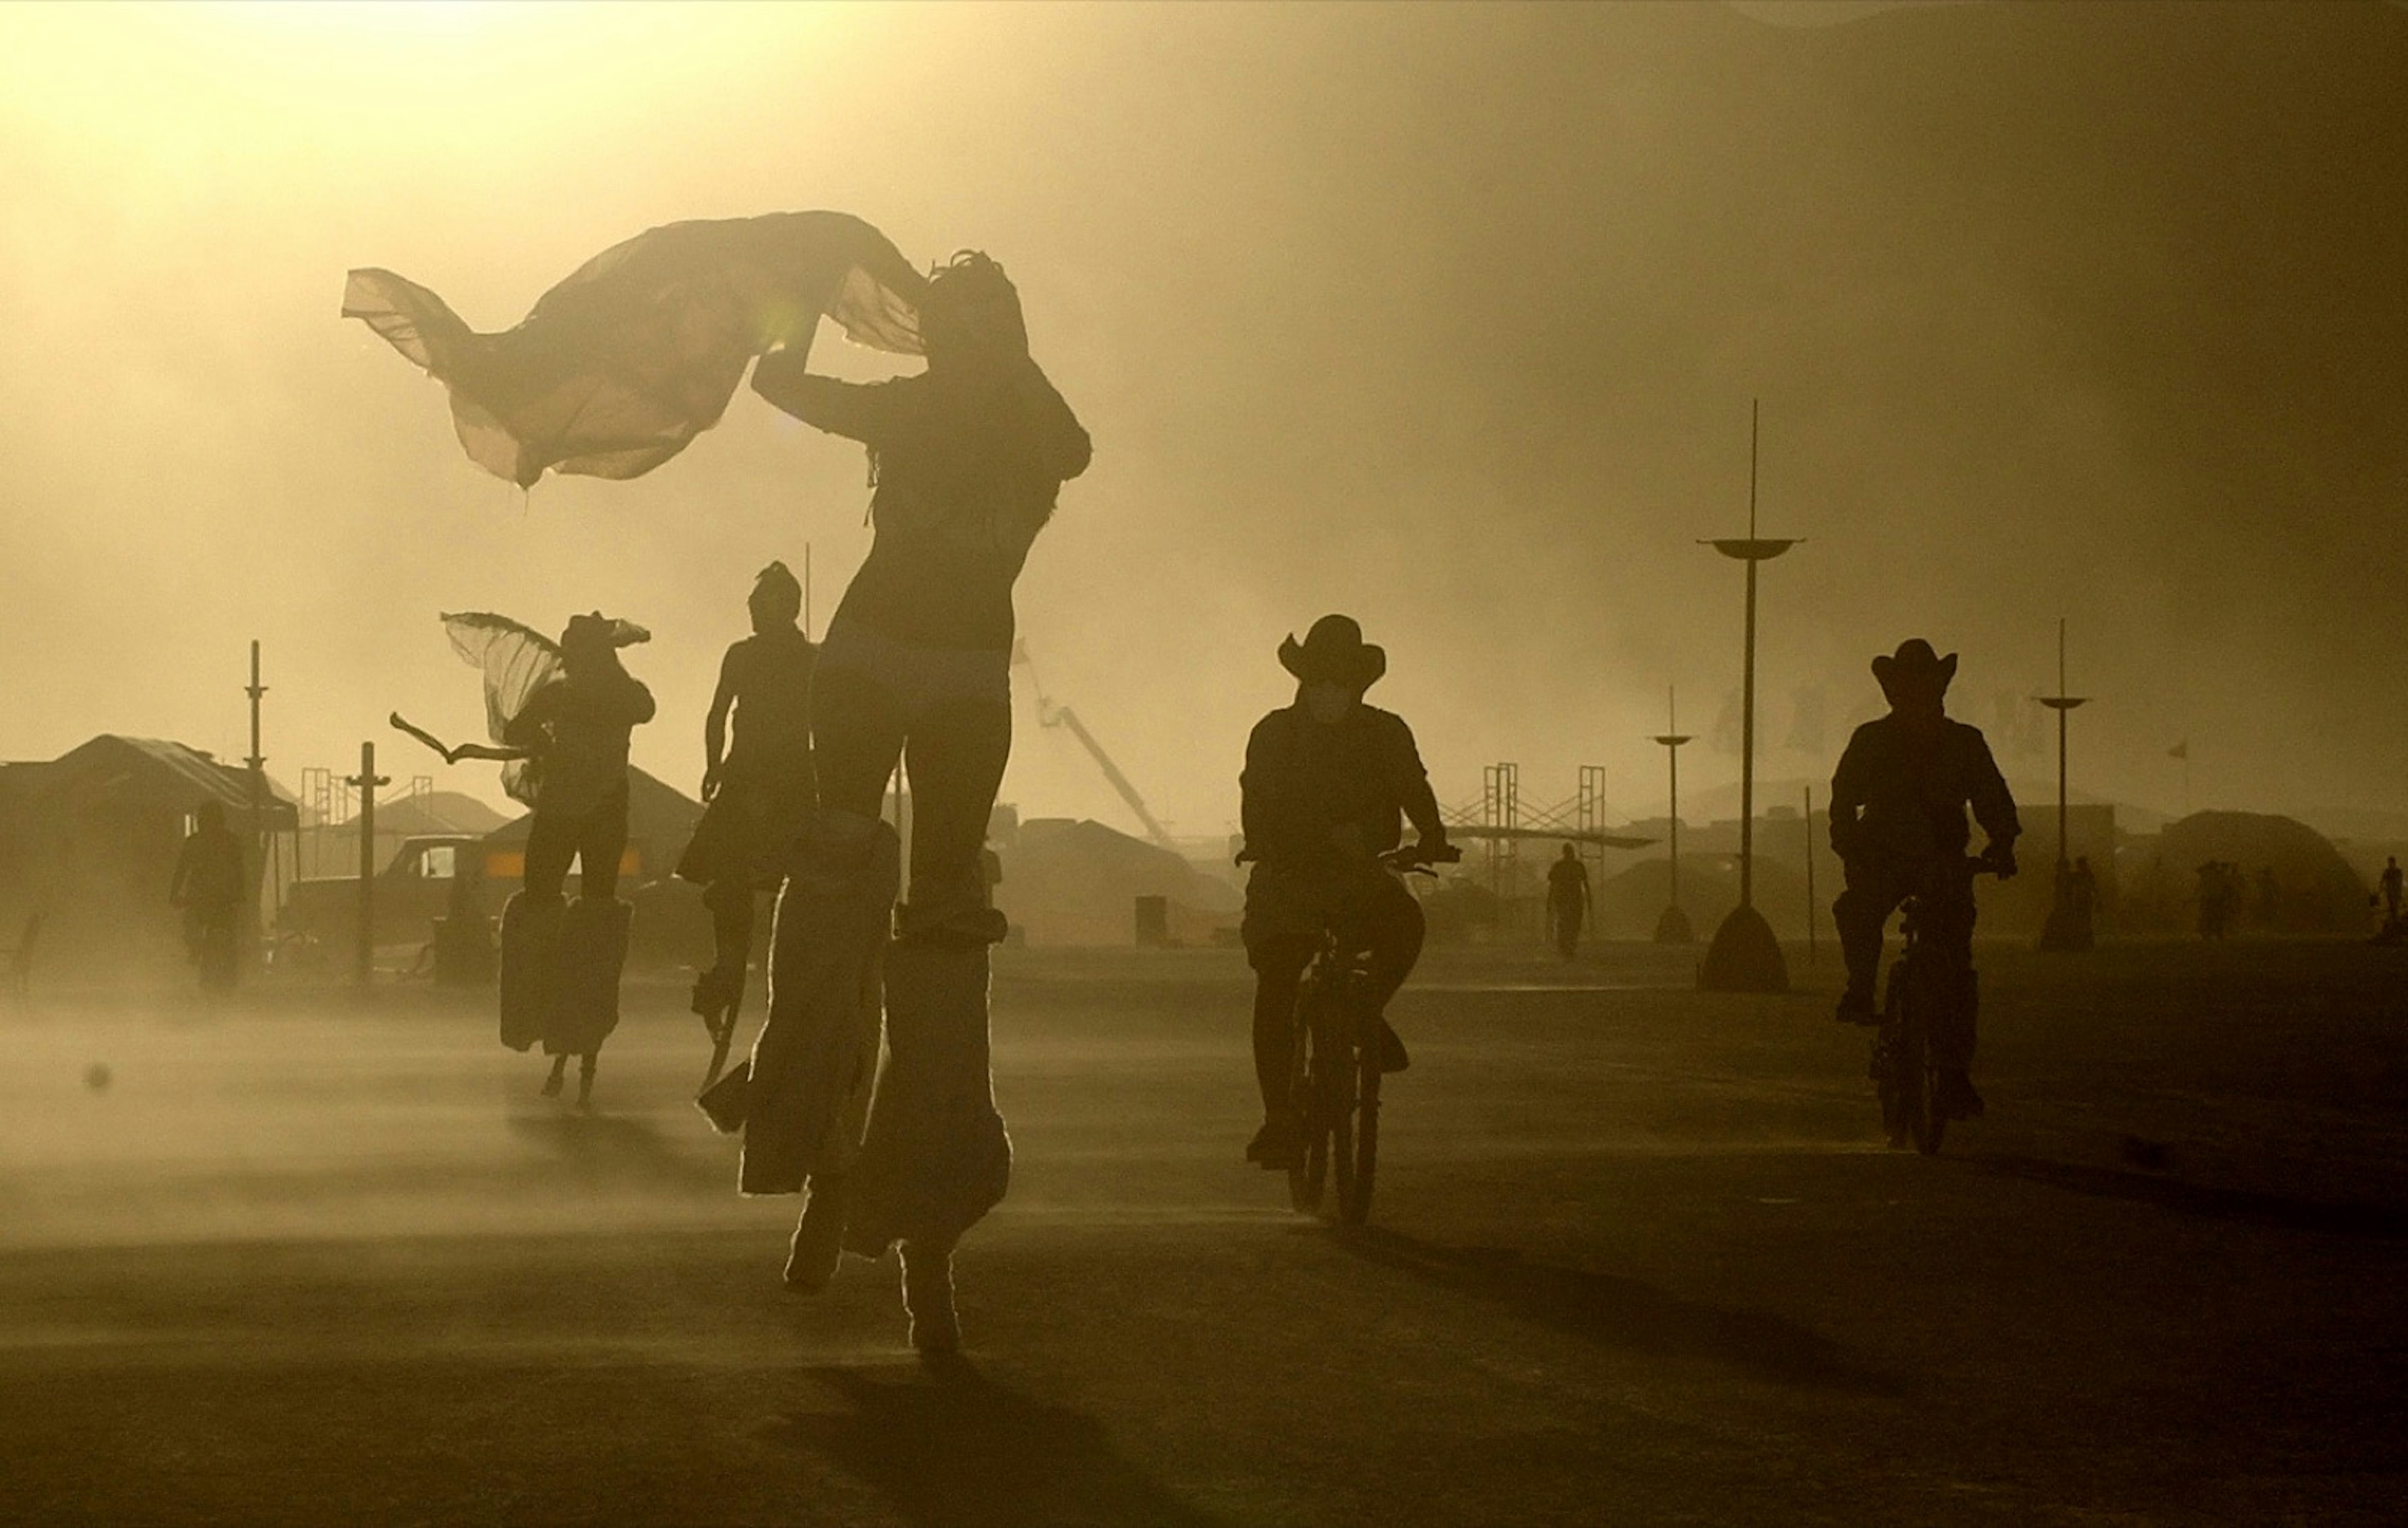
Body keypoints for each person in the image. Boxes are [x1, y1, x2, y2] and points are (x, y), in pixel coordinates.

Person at [744, 250, 1089, 1352]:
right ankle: (821, 1167)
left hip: (956, 678)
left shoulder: (1037, 429)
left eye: (984, 330)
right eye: (957, 331)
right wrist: (794, 294)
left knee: (941, 932)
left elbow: (1074, 447)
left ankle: (919, 1232)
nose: (967, 349)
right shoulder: (927, 405)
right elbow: (780, 388)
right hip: (879, 659)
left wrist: (985, 351)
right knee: (839, 894)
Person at [1238, 615, 1452, 1170]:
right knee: (1279, 980)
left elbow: (1412, 786)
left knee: (1404, 925)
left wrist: (1433, 837)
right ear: (1303, 683)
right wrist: (1271, 841)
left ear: (1359, 687)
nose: (1331, 694)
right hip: (1288, 877)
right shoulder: (1273, 735)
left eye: (1341, 684)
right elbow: (1256, 799)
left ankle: (1366, 1014)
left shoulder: (1386, 732)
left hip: (1361, 878)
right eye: (1321, 682)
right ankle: (1279, 1120)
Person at [1829, 639, 2018, 1122]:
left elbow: (1992, 798)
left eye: (1925, 689)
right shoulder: (1870, 740)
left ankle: (1953, 1075)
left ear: (1940, 690)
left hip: (1943, 863)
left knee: (1956, 974)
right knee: (1858, 911)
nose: (1917, 698)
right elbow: (1843, 798)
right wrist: (1850, 847)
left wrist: (2002, 843)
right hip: (1882, 857)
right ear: (1894, 694)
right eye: (1908, 690)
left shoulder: (1965, 743)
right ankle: (1860, 990)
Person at [499, 613, 655, 1106]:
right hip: (570, 811)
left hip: (596, 813)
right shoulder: (568, 692)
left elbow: (643, 707)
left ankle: (577, 1041)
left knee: (593, 917)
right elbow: (516, 728)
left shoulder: (616, 692)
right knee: (546, 908)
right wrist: (544, 735)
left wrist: (573, 704)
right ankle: (538, 1019)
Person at [677, 561, 816, 1059]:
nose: (755, 613)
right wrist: (715, 766)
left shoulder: (812, 660)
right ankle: (729, 966)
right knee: (730, 882)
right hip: (750, 778)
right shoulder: (743, 656)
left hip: (790, 783)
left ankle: (786, 978)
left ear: (788, 608)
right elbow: (717, 715)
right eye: (753, 606)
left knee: (797, 885)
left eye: (763, 605)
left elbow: (828, 721)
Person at [169, 800, 244, 992]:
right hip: (208, 901)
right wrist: (174, 894)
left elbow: (239, 872)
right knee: (197, 932)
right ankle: (199, 952)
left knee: (224, 940)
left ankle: (209, 961)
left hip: (217, 901)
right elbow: (182, 870)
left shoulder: (206, 842)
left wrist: (175, 894)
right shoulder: (203, 842)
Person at [1545, 842, 1592, 960]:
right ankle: (1567, 948)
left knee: (1569, 924)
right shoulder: (1576, 866)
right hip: (1570, 899)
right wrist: (1589, 899)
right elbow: (1585, 884)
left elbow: (1553, 885)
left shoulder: (1561, 866)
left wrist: (1549, 901)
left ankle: (1567, 948)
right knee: (1569, 924)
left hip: (1567, 899)